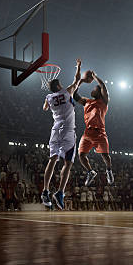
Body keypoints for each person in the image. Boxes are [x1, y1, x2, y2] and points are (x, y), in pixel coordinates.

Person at [40, 58, 83, 210]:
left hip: (55, 131)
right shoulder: (66, 92)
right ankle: (60, 192)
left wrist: (50, 94)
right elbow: (77, 79)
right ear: (59, 85)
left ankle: (45, 190)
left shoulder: (49, 97)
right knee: (68, 163)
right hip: (67, 131)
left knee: (52, 160)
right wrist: (78, 66)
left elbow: (45, 108)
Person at [73, 71, 114, 186]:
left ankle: (109, 170)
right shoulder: (87, 102)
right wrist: (80, 81)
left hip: (100, 132)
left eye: (95, 89)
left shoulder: (104, 102)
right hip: (87, 133)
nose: (92, 90)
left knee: (105, 155)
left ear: (99, 92)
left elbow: (103, 86)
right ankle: (90, 172)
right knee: (81, 155)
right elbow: (75, 95)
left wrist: (95, 76)